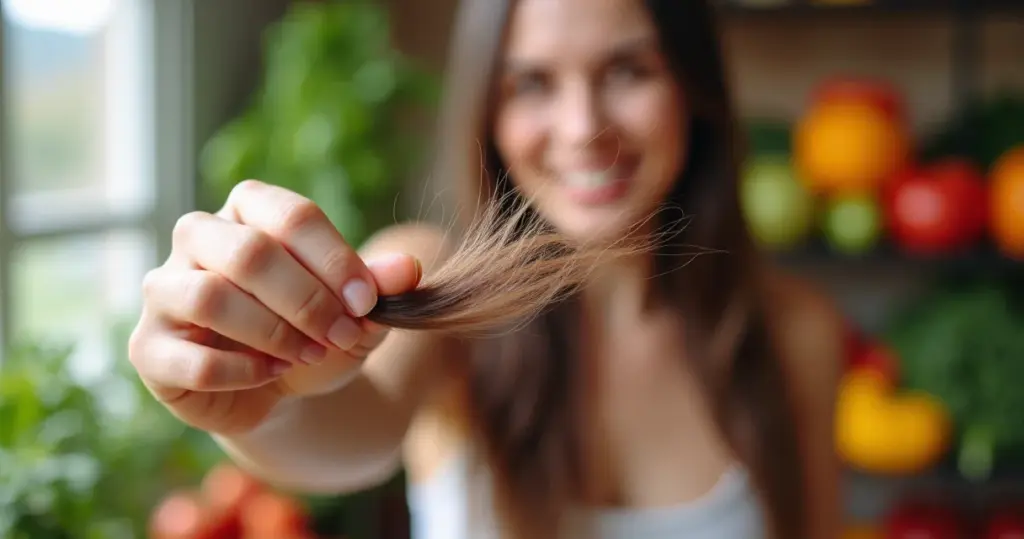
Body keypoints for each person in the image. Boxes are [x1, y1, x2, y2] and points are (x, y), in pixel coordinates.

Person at [128, 0, 847, 537]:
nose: (583, 127)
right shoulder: (430, 276)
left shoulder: (796, 330)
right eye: (532, 83)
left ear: (693, 86)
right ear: (489, 111)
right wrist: (262, 403)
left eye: (628, 69)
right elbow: (342, 437)